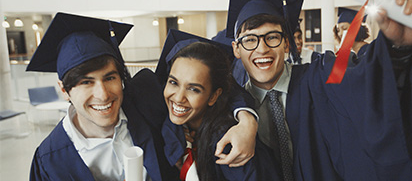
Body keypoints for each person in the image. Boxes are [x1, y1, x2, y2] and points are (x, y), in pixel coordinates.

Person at [226, 0, 412, 180]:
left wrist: (399, 48)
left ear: (286, 44)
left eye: (272, 37)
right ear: (236, 49)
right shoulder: (232, 108)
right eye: (250, 40)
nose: (262, 49)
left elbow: (366, 80)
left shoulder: (322, 77)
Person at [27, 12, 178, 181]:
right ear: (64, 90)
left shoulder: (149, 111)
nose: (103, 95)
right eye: (86, 82)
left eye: (110, 78)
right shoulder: (50, 160)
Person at [157, 29, 281, 181]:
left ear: (214, 96)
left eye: (193, 89)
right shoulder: (175, 126)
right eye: (173, 82)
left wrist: (247, 120)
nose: (178, 97)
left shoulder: (229, 143)